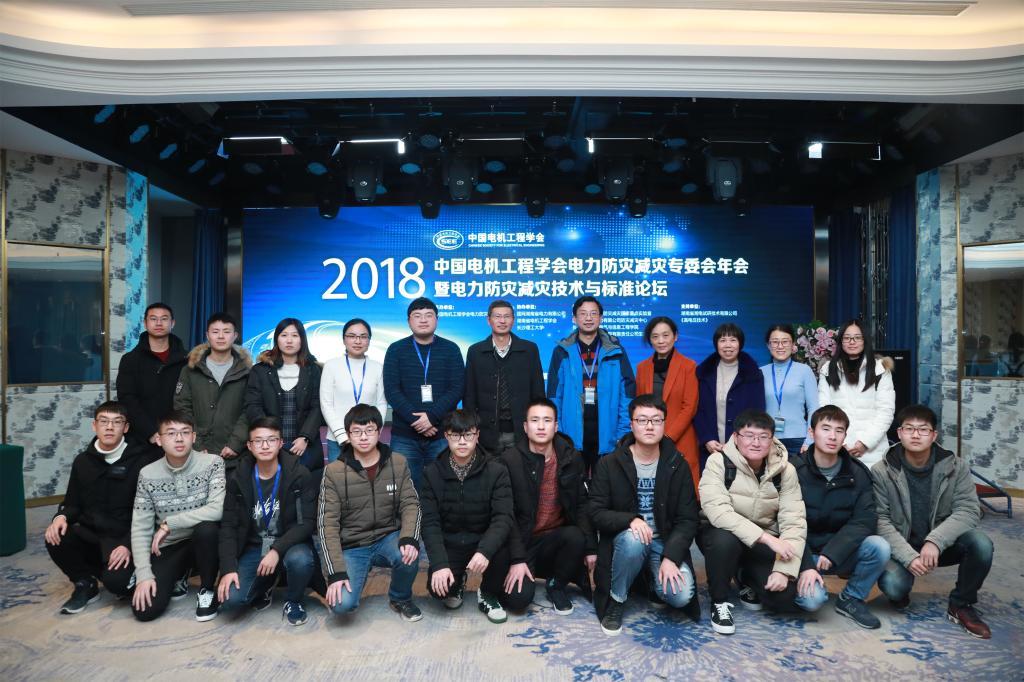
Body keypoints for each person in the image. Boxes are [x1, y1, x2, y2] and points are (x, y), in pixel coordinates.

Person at [872, 404, 993, 639]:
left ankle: (961, 604)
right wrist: (908, 556)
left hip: (941, 545)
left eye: (923, 429)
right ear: (899, 433)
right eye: (909, 428)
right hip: (902, 545)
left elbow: (969, 510)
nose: (916, 435)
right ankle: (901, 590)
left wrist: (936, 541)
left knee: (981, 544)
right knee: (894, 587)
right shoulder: (882, 471)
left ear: (934, 435)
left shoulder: (956, 466)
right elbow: (880, 520)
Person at [590, 394, 700, 636]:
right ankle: (617, 599)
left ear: (664, 424)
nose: (649, 426)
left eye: (656, 420)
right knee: (635, 539)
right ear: (631, 424)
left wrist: (671, 557)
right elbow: (596, 512)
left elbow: (688, 518)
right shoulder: (610, 463)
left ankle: (648, 578)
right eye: (642, 420)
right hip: (626, 540)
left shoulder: (677, 464)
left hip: (664, 542)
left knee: (680, 596)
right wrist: (630, 520)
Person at [44, 401, 160, 614]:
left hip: (125, 538)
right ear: (94, 426)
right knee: (56, 534)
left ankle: (112, 575)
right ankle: (84, 582)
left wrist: (127, 544)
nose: (109, 427)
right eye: (104, 421)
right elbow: (72, 503)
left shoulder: (142, 461)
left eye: (117, 422)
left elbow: (152, 513)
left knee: (119, 585)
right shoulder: (82, 461)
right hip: (92, 535)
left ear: (126, 427)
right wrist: (60, 517)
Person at [698, 409, 805, 635]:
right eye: (748, 435)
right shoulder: (718, 462)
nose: (756, 443)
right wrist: (768, 539)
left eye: (763, 437)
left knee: (784, 598)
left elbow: (794, 521)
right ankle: (719, 601)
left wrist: (784, 571)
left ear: (772, 439)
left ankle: (744, 576)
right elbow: (718, 512)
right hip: (721, 535)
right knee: (724, 540)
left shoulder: (785, 470)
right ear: (736, 437)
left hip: (760, 542)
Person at [318, 404, 423, 622]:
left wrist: (408, 538)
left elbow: (411, 504)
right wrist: (337, 572)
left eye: (369, 430)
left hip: (387, 537)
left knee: (409, 552)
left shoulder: (398, 462)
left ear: (379, 431)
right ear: (348, 435)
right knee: (341, 605)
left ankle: (400, 598)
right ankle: (357, 572)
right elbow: (327, 525)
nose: (364, 437)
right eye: (357, 431)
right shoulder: (333, 472)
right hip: (353, 546)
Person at [791, 405, 889, 629]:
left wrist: (833, 551)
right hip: (802, 553)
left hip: (839, 553)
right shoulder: (794, 470)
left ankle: (851, 598)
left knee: (879, 546)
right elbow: (785, 523)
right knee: (812, 601)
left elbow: (865, 520)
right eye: (825, 429)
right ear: (811, 432)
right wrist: (806, 565)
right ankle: (803, 582)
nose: (832, 436)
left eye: (839, 430)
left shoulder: (858, 472)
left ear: (845, 435)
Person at [217, 417, 319, 626]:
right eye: (258, 441)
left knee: (301, 560)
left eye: (271, 440)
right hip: (253, 547)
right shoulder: (238, 478)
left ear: (280, 443)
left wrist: (276, 550)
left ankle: (293, 600)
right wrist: (228, 569)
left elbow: (307, 523)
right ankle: (266, 584)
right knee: (230, 602)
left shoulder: (299, 474)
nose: (265, 446)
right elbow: (228, 526)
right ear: (249, 446)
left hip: (289, 544)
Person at [498, 398, 596, 616]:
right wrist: (517, 559)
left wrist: (590, 548)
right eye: (535, 420)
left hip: (555, 539)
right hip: (522, 541)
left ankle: (556, 583)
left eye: (547, 420)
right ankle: (538, 571)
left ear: (556, 426)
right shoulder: (509, 461)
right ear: (525, 427)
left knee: (575, 536)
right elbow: (505, 515)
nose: (541, 426)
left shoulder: (571, 457)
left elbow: (582, 504)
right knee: (517, 600)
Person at [420, 409, 515, 624]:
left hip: (483, 540)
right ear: (446, 436)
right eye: (455, 435)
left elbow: (503, 517)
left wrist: (485, 551)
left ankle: (487, 593)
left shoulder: (496, 470)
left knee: (503, 548)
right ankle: (458, 581)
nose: (462, 441)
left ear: (477, 435)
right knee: (439, 591)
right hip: (452, 542)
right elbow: (429, 522)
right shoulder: (432, 473)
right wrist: (439, 564)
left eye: (468, 435)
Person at [131, 411, 225, 622]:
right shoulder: (147, 474)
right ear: (159, 439)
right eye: (171, 433)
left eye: (185, 432)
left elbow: (217, 509)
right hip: (170, 546)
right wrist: (144, 575)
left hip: (205, 542)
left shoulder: (213, 463)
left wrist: (169, 524)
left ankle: (207, 589)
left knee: (207, 530)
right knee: (145, 611)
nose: (179, 439)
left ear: (194, 436)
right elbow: (140, 527)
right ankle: (179, 573)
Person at [383, 297, 465, 491]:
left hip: (442, 434)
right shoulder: (396, 350)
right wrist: (418, 421)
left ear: (437, 319)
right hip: (405, 436)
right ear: (408, 321)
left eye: (429, 315)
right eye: (417, 315)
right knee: (405, 490)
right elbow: (392, 390)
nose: (423, 320)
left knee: (444, 488)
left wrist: (432, 417)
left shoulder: (451, 349)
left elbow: (457, 388)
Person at [547, 295, 635, 474]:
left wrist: (622, 432)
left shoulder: (616, 351)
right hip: (571, 434)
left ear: (601, 318)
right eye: (583, 313)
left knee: (605, 485)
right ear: (574, 318)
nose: (588, 318)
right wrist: (559, 433)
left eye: (593, 313)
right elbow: (554, 395)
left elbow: (627, 394)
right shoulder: (561, 352)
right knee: (572, 485)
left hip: (608, 432)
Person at [464, 300, 545, 454]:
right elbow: (469, 395)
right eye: (497, 316)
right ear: (489, 320)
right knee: (489, 469)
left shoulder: (529, 350)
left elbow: (538, 391)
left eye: (507, 316)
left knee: (520, 469)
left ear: (513, 320)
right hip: (486, 432)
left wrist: (537, 425)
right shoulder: (476, 351)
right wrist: (471, 429)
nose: (502, 321)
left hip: (521, 431)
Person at [174, 312, 252, 469]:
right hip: (197, 453)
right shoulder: (190, 370)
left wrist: (235, 443)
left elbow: (250, 410)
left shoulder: (247, 371)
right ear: (207, 335)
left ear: (235, 336)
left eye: (226, 331)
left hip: (236, 454)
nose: (221, 336)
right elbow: (182, 408)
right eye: (215, 331)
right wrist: (196, 444)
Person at [245, 318, 324, 472]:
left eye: (295, 335)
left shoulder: (313, 370)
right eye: (284, 335)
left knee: (307, 483)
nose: (289, 340)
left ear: (302, 339)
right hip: (268, 445)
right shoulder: (260, 370)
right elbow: (253, 406)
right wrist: (270, 438)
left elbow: (317, 406)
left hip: (305, 445)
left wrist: (305, 437)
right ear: (276, 339)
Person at [817, 319, 895, 468]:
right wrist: (841, 444)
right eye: (847, 338)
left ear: (865, 340)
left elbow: (886, 411)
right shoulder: (828, 369)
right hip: (836, 446)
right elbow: (823, 410)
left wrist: (865, 443)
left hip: (873, 450)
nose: (852, 342)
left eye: (857, 337)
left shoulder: (880, 369)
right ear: (841, 341)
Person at [635, 316, 700, 489]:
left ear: (675, 336)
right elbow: (639, 405)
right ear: (650, 340)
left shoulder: (688, 366)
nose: (661, 341)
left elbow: (689, 407)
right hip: (649, 437)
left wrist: (668, 436)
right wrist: (649, 434)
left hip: (680, 437)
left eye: (666, 335)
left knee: (682, 490)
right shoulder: (642, 367)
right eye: (655, 336)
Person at [694, 323, 766, 471]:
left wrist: (741, 441)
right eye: (722, 340)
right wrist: (707, 439)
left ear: (740, 344)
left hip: (744, 448)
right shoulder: (703, 373)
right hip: (711, 447)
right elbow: (698, 410)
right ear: (716, 344)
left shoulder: (753, 374)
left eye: (733, 340)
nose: (728, 345)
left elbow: (758, 413)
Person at [116, 302, 188, 446]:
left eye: (164, 319)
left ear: (172, 323)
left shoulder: (187, 359)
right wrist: (150, 432)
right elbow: (127, 399)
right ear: (145, 323)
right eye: (153, 319)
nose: (159, 323)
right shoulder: (130, 360)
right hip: (141, 437)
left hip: (179, 435)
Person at [320, 318, 388, 463]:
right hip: (338, 441)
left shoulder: (378, 367)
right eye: (352, 336)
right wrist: (344, 437)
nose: (358, 341)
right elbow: (326, 404)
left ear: (369, 340)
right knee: (338, 477)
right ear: (344, 339)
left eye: (363, 336)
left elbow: (382, 403)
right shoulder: (331, 366)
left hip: (368, 439)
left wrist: (374, 432)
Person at [759, 324, 818, 457]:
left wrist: (809, 440)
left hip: (799, 440)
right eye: (775, 342)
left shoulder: (804, 371)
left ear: (793, 345)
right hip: (768, 439)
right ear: (768, 345)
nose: (780, 346)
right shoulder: (760, 372)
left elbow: (813, 408)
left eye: (785, 341)